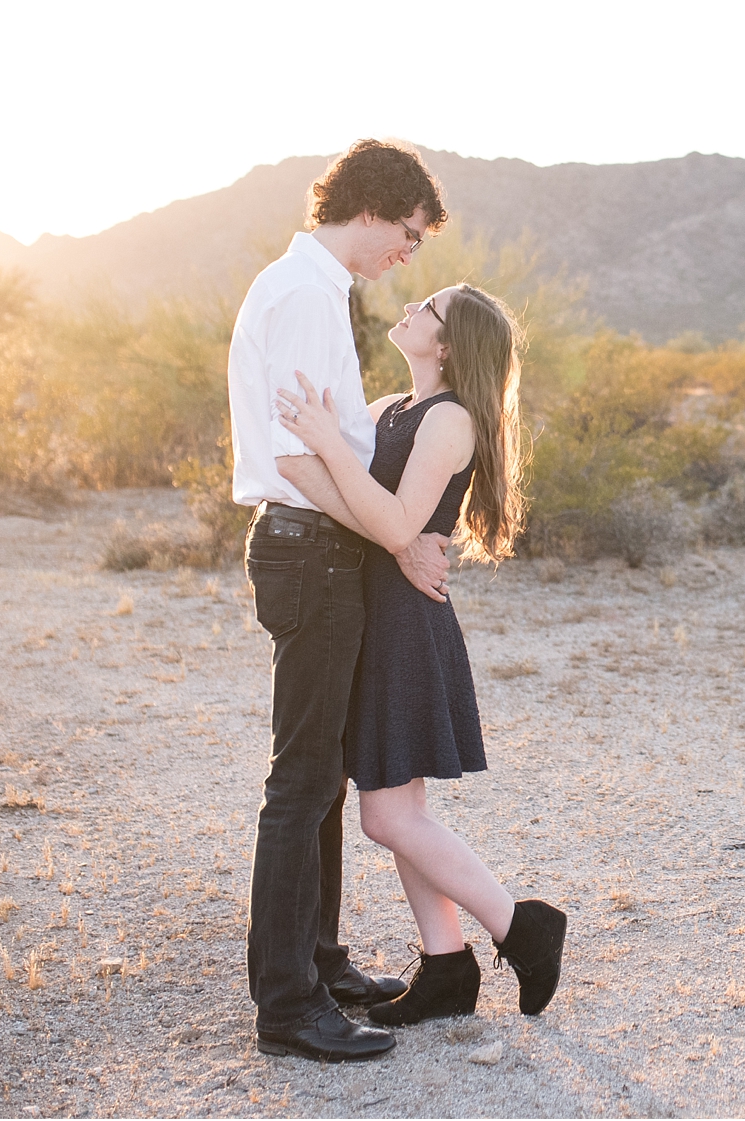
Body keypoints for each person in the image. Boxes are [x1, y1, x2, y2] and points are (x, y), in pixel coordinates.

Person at [275, 280, 567, 1027]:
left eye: (427, 309)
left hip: (407, 624)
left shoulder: (451, 420)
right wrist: (396, 537)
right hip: (378, 610)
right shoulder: (390, 410)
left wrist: (387, 521)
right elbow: (366, 510)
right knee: (401, 807)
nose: (410, 307)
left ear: (445, 344)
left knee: (386, 816)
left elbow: (396, 515)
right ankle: (445, 964)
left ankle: (522, 925)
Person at [228, 139, 455, 1062]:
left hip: (325, 548)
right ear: (373, 207)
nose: (408, 254)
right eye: (408, 234)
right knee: (303, 782)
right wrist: (392, 534)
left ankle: (318, 961)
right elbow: (292, 457)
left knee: (320, 779)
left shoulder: (320, 292)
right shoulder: (298, 294)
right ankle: (286, 1005)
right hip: (308, 548)